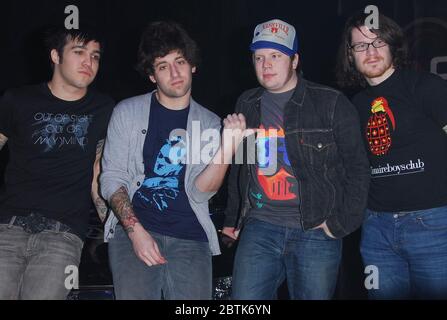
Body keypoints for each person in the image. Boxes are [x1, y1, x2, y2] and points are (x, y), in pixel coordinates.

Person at [222, 18, 370, 300]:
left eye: (276, 56)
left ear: (294, 60)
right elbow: (240, 168)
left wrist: (339, 224)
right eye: (259, 57)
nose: (266, 65)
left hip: (314, 228)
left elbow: (358, 169)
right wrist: (233, 218)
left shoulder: (331, 103)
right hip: (260, 226)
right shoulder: (246, 102)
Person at [100, 21, 247, 300]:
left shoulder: (210, 123)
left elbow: (200, 191)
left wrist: (227, 146)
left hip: (191, 237)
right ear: (152, 75)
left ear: (192, 65)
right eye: (163, 66)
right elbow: (112, 178)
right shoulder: (127, 112)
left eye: (179, 61)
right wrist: (136, 232)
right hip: (135, 230)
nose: (175, 72)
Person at [336, 12, 447, 299]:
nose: (370, 52)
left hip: (433, 224)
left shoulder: (426, 86)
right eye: (360, 46)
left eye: (378, 42)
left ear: (392, 46)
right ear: (351, 55)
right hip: (377, 231)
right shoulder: (354, 105)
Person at [0, 27, 114, 299]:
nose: (89, 62)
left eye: (95, 56)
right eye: (79, 52)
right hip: (7, 227)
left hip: (63, 234)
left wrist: (112, 227)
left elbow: (98, 172)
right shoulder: (18, 99)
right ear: (55, 56)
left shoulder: (103, 108)